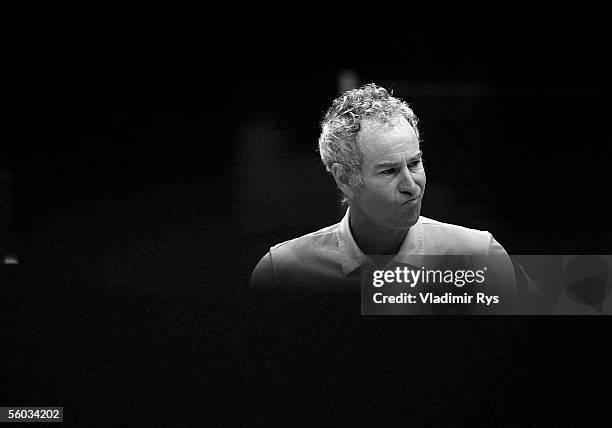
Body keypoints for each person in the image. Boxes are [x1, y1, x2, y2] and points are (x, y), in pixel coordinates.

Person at [248, 83, 535, 314]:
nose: (412, 186)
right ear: (344, 178)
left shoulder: (478, 256)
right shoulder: (281, 274)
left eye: (414, 163)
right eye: (389, 171)